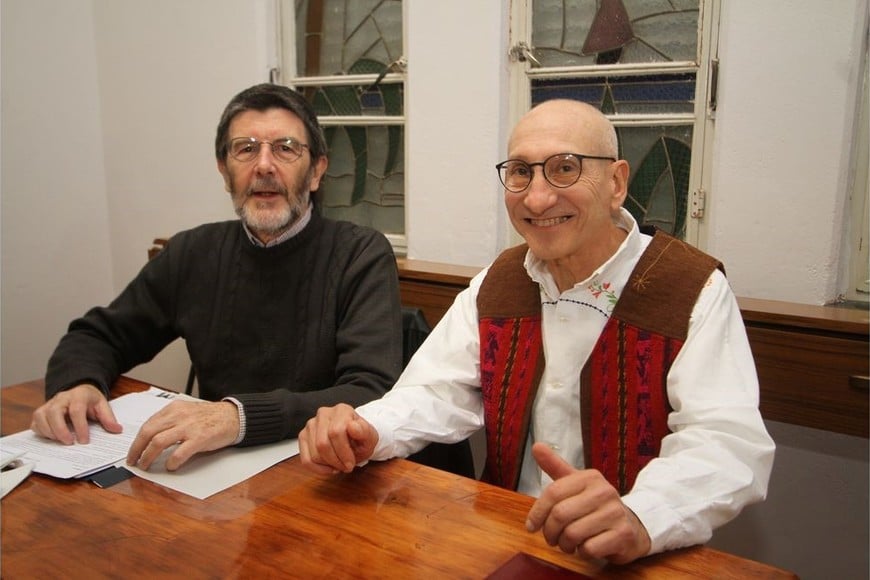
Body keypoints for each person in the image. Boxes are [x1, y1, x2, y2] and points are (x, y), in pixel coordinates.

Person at [298, 100, 775, 564]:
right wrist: (368, 428)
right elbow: (437, 390)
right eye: (521, 172)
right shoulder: (499, 282)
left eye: (565, 168)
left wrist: (641, 514)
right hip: (505, 539)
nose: (538, 197)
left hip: (638, 556)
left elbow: (726, 441)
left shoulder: (693, 287)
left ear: (616, 182)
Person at [31, 83, 403, 473]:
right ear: (225, 171)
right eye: (245, 148)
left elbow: (372, 389)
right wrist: (78, 384)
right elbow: (97, 336)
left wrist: (238, 418)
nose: (263, 165)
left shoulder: (361, 254)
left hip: (321, 474)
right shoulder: (193, 251)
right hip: (210, 474)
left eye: (285, 148)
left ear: (316, 172)